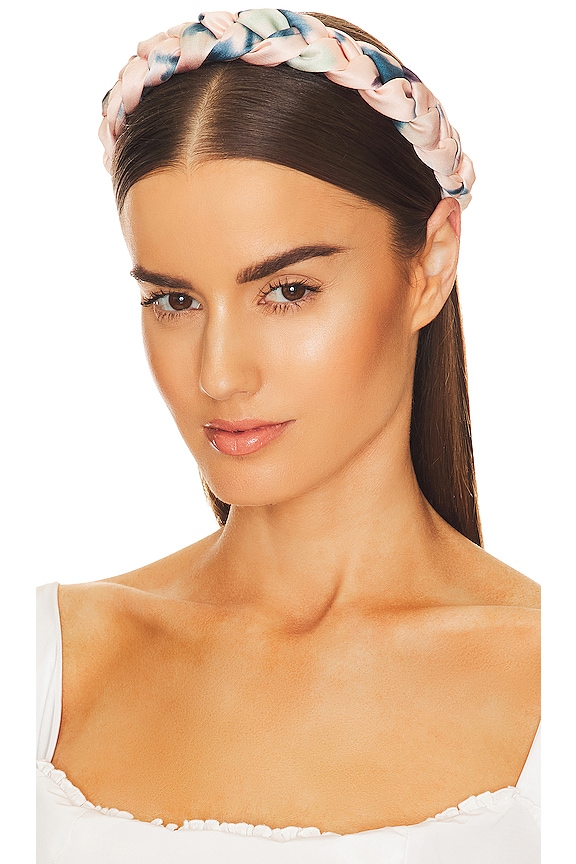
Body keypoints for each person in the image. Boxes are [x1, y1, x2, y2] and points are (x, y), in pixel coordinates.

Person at [36, 9, 540, 862]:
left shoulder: (547, 677)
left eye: (289, 291)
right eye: (174, 301)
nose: (219, 375)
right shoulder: (43, 660)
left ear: (430, 264)